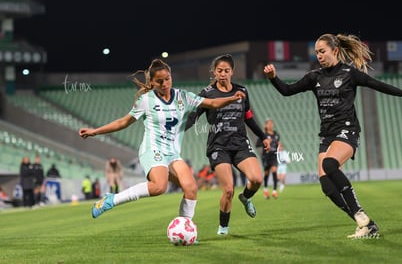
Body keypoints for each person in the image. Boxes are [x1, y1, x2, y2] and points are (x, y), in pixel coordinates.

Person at [264, 33, 402, 239]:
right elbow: (287, 91)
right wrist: (273, 78)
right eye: (316, 52)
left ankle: (360, 213)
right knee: (327, 187)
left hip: (347, 130)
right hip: (326, 135)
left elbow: (376, 84)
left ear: (335, 51)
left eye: (322, 51)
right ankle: (365, 224)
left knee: (329, 165)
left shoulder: (349, 73)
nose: (319, 56)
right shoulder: (314, 77)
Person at [79, 58, 245, 229]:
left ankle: (185, 228)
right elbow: (123, 122)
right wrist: (95, 131)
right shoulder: (146, 100)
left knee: (191, 187)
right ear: (152, 82)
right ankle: (112, 199)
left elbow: (211, 103)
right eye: (159, 81)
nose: (165, 83)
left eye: (167, 79)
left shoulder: (183, 96)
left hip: (173, 154)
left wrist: (232, 99)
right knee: (159, 187)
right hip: (153, 150)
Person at [186, 54, 270, 235]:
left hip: (240, 143)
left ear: (232, 71)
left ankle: (246, 198)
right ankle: (223, 227)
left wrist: (262, 136)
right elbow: (193, 116)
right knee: (228, 189)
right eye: (219, 71)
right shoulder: (207, 93)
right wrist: (177, 131)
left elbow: (248, 117)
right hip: (218, 146)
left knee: (256, 179)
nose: (223, 74)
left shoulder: (242, 91)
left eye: (226, 71)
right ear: (214, 72)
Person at [256, 118, 281, 199]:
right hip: (266, 156)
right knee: (266, 173)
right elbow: (257, 145)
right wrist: (266, 143)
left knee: (274, 171)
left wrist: (279, 146)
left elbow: (277, 144)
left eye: (271, 123)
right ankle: (265, 190)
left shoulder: (276, 134)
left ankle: (274, 191)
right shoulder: (263, 135)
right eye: (269, 123)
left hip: (274, 155)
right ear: (266, 125)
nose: (270, 125)